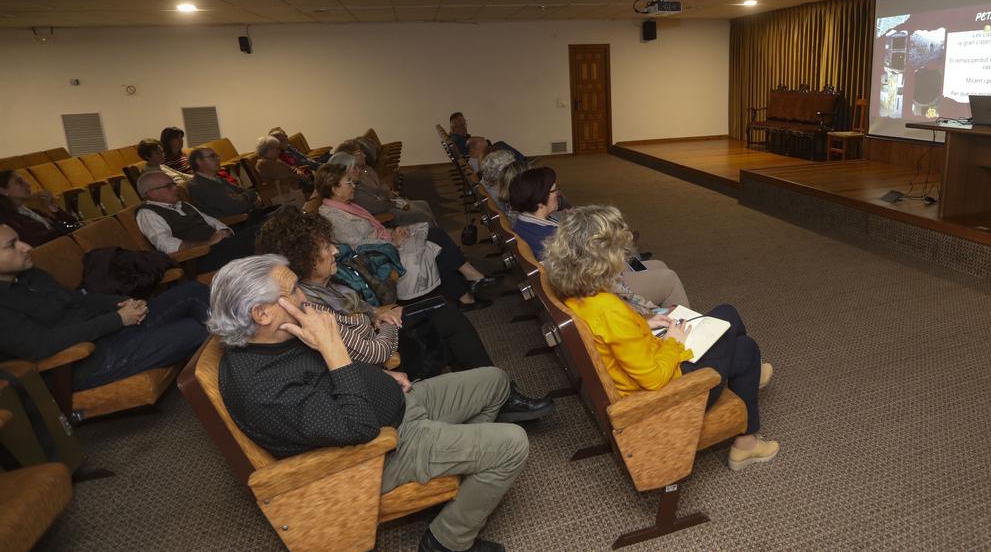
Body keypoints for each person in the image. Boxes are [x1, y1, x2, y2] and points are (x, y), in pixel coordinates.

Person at [208, 255, 526, 552]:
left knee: (494, 381)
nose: (304, 297)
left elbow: (329, 379)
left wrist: (384, 378)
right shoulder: (262, 391)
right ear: (261, 313)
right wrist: (332, 347)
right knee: (512, 444)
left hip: (396, 403)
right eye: (293, 291)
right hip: (383, 448)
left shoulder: (280, 337)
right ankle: (448, 540)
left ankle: (458, 468)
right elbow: (359, 428)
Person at [255, 208, 553, 422]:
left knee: (442, 311)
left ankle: (494, 396)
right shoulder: (312, 306)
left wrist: (377, 314)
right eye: (325, 247)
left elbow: (361, 310)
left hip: (378, 334)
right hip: (381, 365)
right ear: (302, 257)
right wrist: (387, 320)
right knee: (446, 318)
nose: (335, 251)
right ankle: (500, 398)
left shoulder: (323, 284)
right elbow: (372, 353)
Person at [542, 205, 777, 471]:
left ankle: (746, 379)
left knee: (727, 313)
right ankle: (746, 441)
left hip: (645, 362)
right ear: (604, 258)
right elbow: (654, 379)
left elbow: (615, 337)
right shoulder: (609, 309)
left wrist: (644, 325)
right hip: (666, 392)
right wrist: (674, 341)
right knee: (745, 349)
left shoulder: (574, 293)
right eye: (620, 250)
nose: (624, 257)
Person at [0, 224, 208, 391]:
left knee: (192, 290)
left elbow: (78, 299)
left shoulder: (31, 274)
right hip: (85, 360)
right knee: (194, 329)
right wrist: (117, 319)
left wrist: (121, 303)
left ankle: (237, 347)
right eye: (12, 245)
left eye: (19, 240)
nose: (26, 246)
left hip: (111, 331)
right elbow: (40, 345)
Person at [314, 164, 496, 311]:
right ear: (335, 189)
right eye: (349, 183)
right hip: (375, 258)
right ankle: (469, 285)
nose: (354, 185)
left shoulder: (345, 206)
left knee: (434, 243)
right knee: (435, 241)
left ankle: (467, 292)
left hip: (383, 243)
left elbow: (370, 229)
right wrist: (392, 241)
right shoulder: (332, 215)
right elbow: (357, 245)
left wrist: (392, 232)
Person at [509, 167, 688, 310]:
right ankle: (686, 335)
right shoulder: (547, 238)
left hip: (595, 277)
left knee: (657, 265)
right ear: (540, 200)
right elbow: (586, 277)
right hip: (598, 290)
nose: (558, 194)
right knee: (669, 279)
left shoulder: (525, 225)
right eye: (554, 190)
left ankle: (659, 319)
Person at [134, 171, 258, 273]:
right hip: (200, 259)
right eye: (168, 186)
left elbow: (211, 221)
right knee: (258, 233)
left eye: (174, 184)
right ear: (151, 193)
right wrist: (208, 243)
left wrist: (224, 231)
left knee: (261, 231)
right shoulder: (147, 213)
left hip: (221, 246)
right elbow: (166, 245)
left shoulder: (183, 204)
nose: (175, 188)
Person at [329, 142, 435, 226]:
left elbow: (377, 188)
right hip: (383, 214)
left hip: (385, 204)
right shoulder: (352, 187)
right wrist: (395, 203)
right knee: (422, 215)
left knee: (423, 204)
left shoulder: (362, 174)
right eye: (359, 153)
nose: (364, 155)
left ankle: (436, 236)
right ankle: (434, 239)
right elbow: (373, 207)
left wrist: (390, 194)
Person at [0, 169, 79, 245]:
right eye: (20, 182)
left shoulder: (29, 210)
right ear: (3, 191)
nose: (28, 184)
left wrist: (51, 205)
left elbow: (72, 223)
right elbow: (37, 240)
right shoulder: (8, 219)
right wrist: (62, 228)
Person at [186, 147, 265, 219]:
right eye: (212, 156)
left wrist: (242, 197)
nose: (218, 159)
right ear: (199, 162)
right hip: (238, 225)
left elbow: (248, 192)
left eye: (217, 156)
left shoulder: (217, 178)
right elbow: (235, 207)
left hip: (251, 217)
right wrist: (252, 202)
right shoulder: (199, 186)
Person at [449, 112, 528, 162]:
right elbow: (469, 152)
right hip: (479, 158)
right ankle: (522, 161)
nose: (464, 127)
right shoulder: (456, 139)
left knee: (500, 144)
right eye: (461, 125)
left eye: (465, 123)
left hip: (480, 155)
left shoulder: (457, 137)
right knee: (500, 145)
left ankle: (521, 161)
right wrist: (483, 145)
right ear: (454, 127)